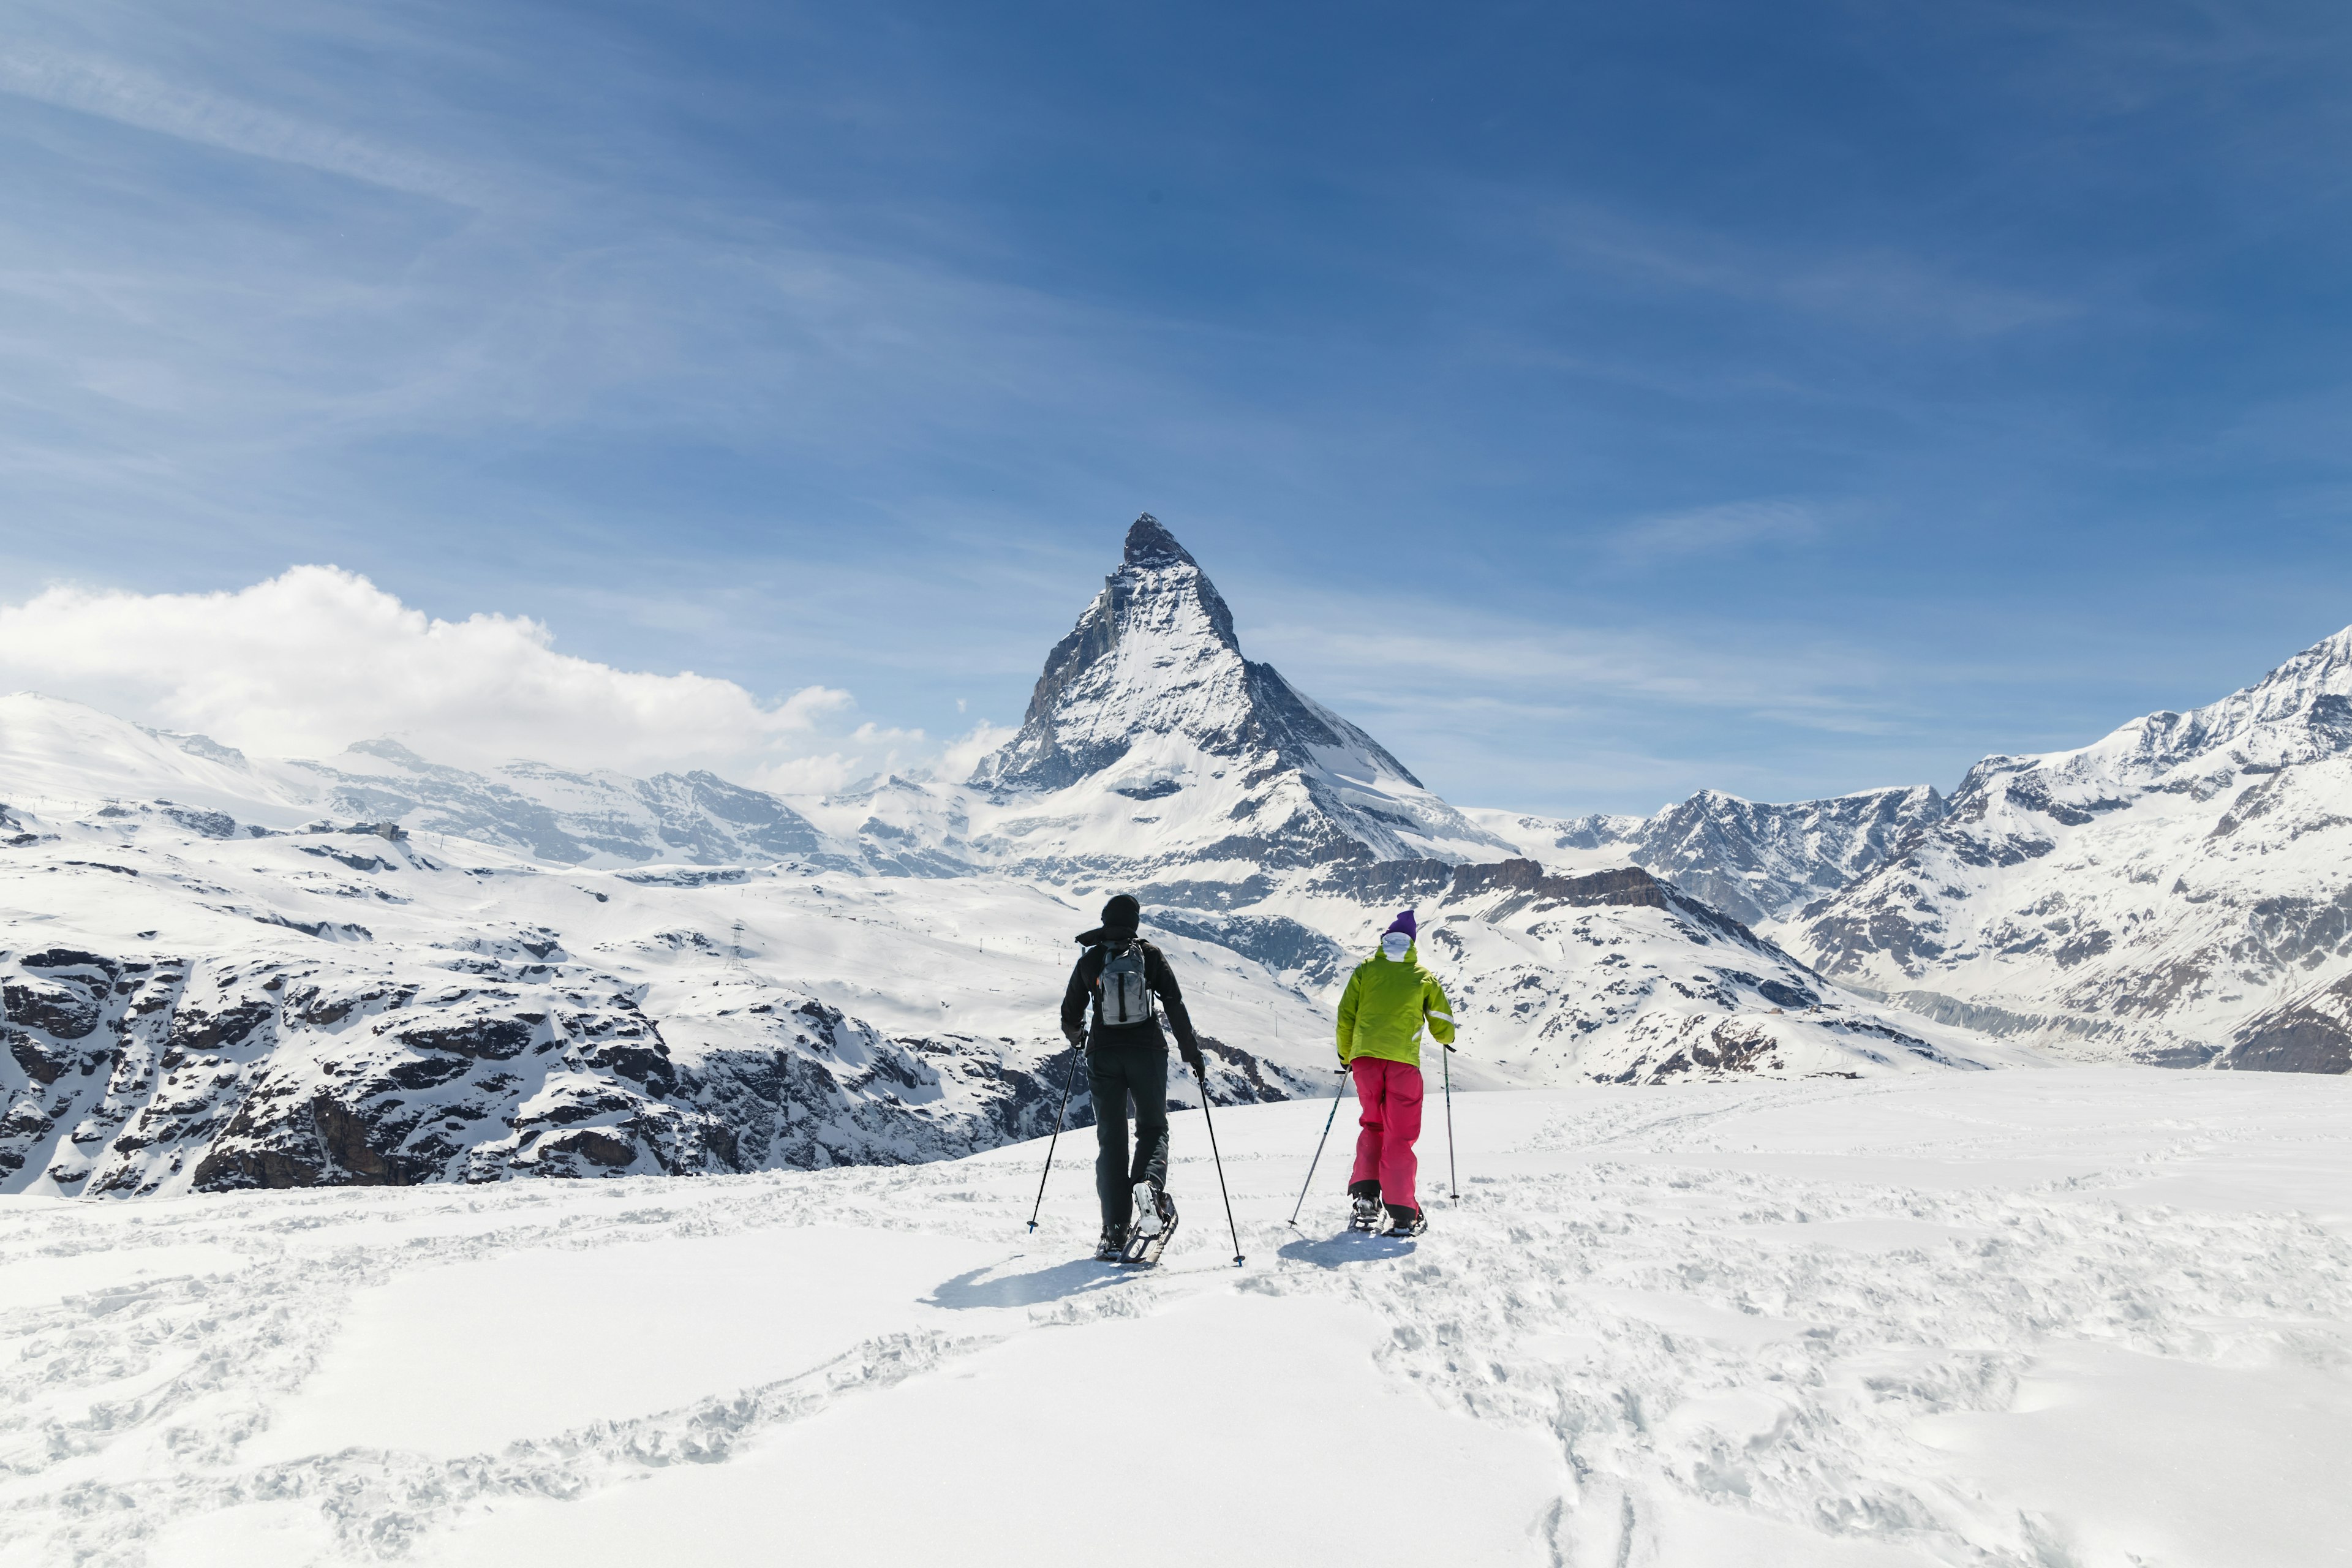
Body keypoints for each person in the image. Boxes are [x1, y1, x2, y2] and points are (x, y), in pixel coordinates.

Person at [1061, 893, 1207, 1260]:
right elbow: (1174, 1003)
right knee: (1153, 1128)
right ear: (1135, 922)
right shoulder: (1150, 955)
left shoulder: (1092, 958)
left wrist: (1080, 1036)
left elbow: (1069, 1013)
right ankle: (1149, 1189)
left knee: (1111, 1140)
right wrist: (1192, 1053)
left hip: (1103, 1054)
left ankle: (1113, 1231)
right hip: (1147, 1051)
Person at [1335, 909, 1455, 1236]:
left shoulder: (1365, 970)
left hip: (1364, 1062)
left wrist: (1347, 1055)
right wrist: (1445, 1039)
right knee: (1399, 1136)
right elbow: (1443, 1023)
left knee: (1372, 1124)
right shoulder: (1423, 977)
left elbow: (1346, 1015)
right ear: (1412, 943)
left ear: (1385, 941)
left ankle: (1365, 1203)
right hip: (1402, 1063)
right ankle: (1403, 1214)